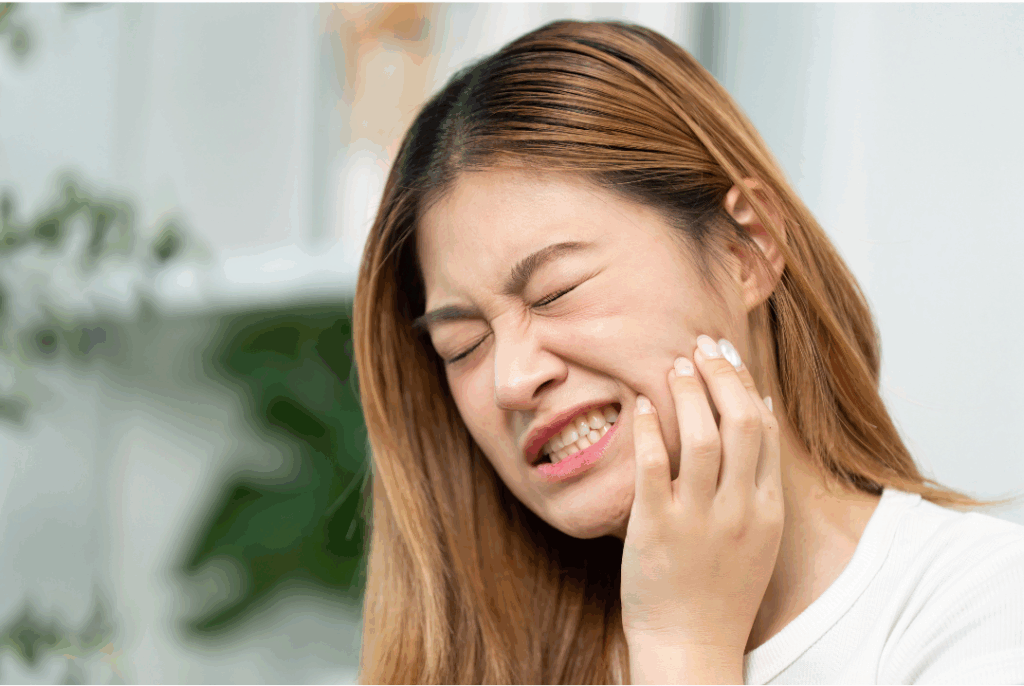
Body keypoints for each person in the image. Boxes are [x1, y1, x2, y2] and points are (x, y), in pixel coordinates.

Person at [351, 19, 1024, 684]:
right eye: (462, 345)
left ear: (745, 250)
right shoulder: (475, 662)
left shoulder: (983, 610)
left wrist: (685, 648)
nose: (512, 379)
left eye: (556, 291)